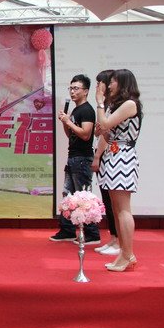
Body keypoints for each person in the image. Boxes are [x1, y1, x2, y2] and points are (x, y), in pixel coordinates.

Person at [96, 69, 142, 272]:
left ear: (123, 83)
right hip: (113, 155)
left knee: (123, 209)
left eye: (113, 81)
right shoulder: (118, 105)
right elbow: (104, 130)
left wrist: (99, 102)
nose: (109, 85)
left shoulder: (130, 104)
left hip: (123, 157)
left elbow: (105, 123)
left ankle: (128, 254)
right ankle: (124, 253)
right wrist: (103, 129)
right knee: (116, 209)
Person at [49, 74, 100, 244]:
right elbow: (71, 135)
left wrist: (69, 122)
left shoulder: (87, 110)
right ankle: (67, 230)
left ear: (85, 91)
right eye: (70, 88)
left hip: (82, 159)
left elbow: (86, 135)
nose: (72, 91)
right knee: (68, 196)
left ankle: (92, 233)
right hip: (73, 157)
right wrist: (65, 122)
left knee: (83, 197)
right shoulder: (76, 110)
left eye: (76, 88)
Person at [91, 69, 120, 256]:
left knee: (113, 202)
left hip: (108, 155)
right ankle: (114, 238)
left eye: (100, 83)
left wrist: (97, 156)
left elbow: (106, 135)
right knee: (107, 200)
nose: (98, 86)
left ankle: (118, 241)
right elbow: (100, 131)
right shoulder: (106, 105)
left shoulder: (113, 105)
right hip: (104, 155)